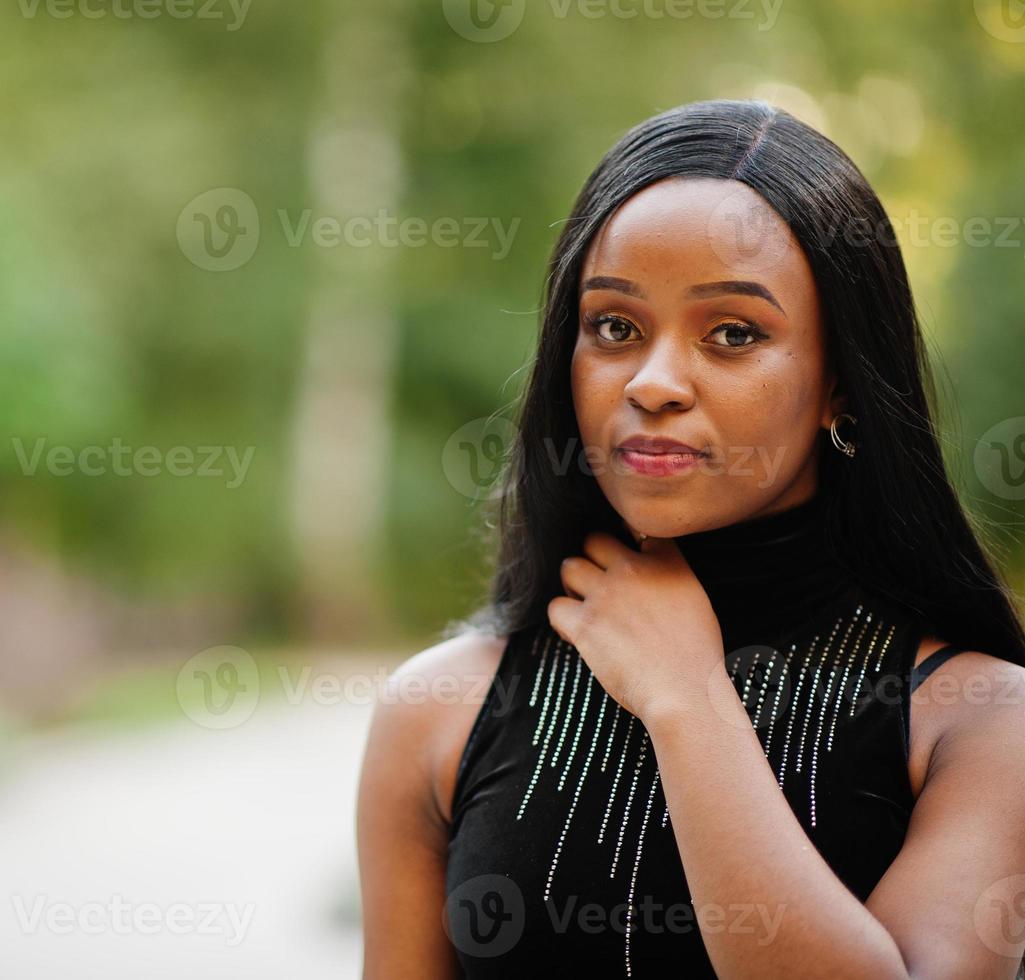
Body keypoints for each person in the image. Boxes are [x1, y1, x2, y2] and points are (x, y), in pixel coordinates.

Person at [356, 99, 1025, 978]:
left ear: (842, 384)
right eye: (615, 327)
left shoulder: (979, 722)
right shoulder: (439, 712)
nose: (654, 380)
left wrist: (688, 698)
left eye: (733, 333)